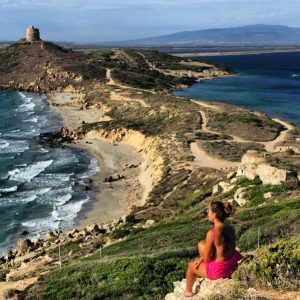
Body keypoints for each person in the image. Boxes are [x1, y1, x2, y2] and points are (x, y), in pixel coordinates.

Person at [183, 200, 243, 299]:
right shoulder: (230, 228)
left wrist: (201, 258)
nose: (207, 214)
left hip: (220, 270)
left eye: (208, 211)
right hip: (232, 263)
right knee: (201, 244)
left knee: (190, 266)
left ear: (214, 214)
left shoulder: (213, 232)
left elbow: (207, 259)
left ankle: (188, 292)